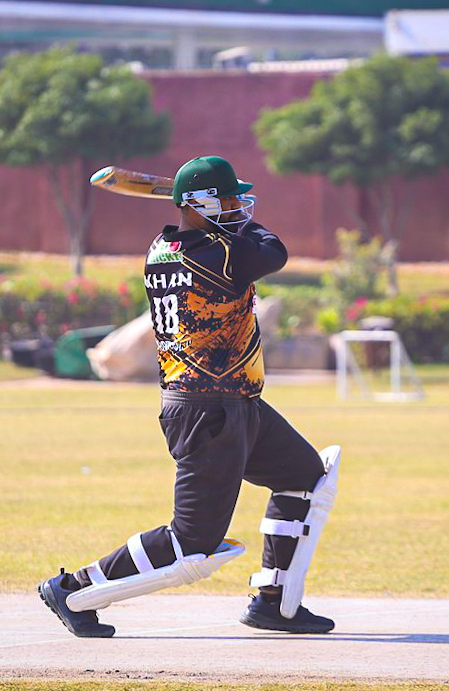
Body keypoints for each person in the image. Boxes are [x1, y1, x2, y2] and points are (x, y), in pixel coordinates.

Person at [38, 155, 341, 638]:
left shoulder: (163, 247)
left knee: (307, 478)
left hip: (233, 401)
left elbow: (238, 244)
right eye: (229, 200)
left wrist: (215, 213)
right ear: (200, 204)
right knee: (192, 543)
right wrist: (237, 222)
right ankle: (73, 588)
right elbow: (273, 251)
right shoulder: (221, 254)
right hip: (207, 410)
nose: (239, 208)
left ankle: (275, 604)